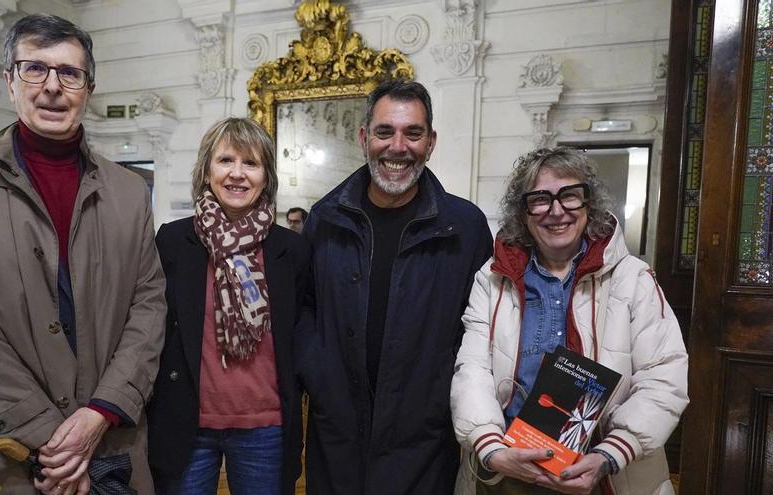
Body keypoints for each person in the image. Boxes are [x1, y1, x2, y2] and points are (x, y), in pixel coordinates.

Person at [0, 13, 166, 495]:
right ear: (10, 80)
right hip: (6, 454)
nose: (53, 86)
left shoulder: (131, 191)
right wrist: (54, 440)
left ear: (87, 88)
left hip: (109, 446)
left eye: (69, 73)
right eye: (35, 68)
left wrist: (99, 413)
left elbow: (148, 307)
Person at [450, 148, 688, 495]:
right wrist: (491, 449)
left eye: (570, 196)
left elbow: (664, 376)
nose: (556, 210)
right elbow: (472, 371)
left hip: (605, 475)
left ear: (588, 203)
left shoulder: (633, 280)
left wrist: (609, 455)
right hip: (509, 471)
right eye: (541, 198)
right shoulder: (493, 279)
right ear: (524, 210)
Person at [297, 79, 494, 494]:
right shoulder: (325, 219)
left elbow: (481, 328)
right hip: (338, 434)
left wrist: (441, 391)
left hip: (422, 441)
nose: (398, 147)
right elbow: (304, 308)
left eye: (413, 133)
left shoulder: (466, 227)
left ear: (431, 142)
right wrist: (320, 376)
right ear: (364, 137)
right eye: (385, 132)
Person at [147, 118, 310, 495]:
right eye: (226, 161)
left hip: (265, 428)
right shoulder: (173, 241)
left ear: (266, 177)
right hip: (188, 423)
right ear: (206, 171)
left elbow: (301, 332)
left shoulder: (293, 251)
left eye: (251, 163)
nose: (237, 174)